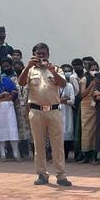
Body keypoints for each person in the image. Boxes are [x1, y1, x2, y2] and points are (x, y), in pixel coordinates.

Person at [19, 43, 71, 186]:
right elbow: (21, 82)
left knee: (57, 145)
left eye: (43, 53)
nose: (41, 56)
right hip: (36, 111)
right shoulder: (30, 70)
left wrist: (52, 70)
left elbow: (63, 84)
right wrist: (28, 66)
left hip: (54, 111)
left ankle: (61, 175)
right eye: (38, 53)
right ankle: (42, 174)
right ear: (34, 54)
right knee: (39, 144)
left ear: (48, 54)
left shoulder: (56, 69)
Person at [58, 68, 77, 160]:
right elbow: (51, 100)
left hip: (67, 111)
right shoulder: (54, 86)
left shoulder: (69, 86)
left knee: (67, 133)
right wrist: (63, 99)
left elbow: (72, 101)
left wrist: (64, 100)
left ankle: (65, 155)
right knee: (57, 133)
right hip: (56, 112)